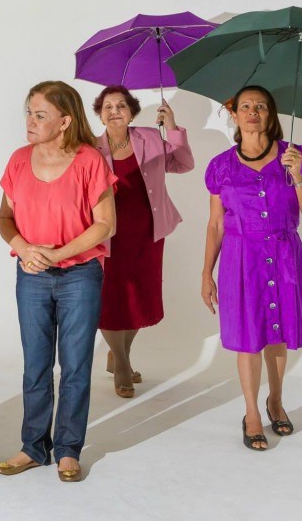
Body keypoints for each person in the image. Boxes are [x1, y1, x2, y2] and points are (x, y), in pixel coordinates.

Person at [0, 81, 117, 482]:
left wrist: (58, 254)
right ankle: (33, 447)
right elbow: (4, 218)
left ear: (65, 121)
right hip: (30, 276)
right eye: (28, 112)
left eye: (40, 114)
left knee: (76, 366)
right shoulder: (17, 160)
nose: (30, 121)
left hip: (79, 276)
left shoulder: (90, 161)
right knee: (35, 366)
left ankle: (67, 449)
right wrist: (24, 249)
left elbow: (105, 225)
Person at [201, 85, 302, 451]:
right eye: (246, 106)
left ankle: (276, 400)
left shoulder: (294, 157)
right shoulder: (220, 166)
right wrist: (206, 273)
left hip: (284, 253)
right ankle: (252, 412)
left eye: (262, 106)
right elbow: (216, 223)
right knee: (248, 336)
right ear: (234, 115)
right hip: (241, 259)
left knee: (279, 333)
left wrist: (298, 175)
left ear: (272, 115)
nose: (254, 111)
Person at [93, 86, 194, 398]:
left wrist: (173, 128)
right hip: (107, 236)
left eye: (121, 105)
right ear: (99, 114)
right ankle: (122, 364)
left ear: (131, 112)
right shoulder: (91, 149)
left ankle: (118, 353)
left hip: (147, 233)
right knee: (110, 298)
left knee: (139, 296)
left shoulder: (150, 138)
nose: (114, 111)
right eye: (107, 107)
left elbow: (183, 164)